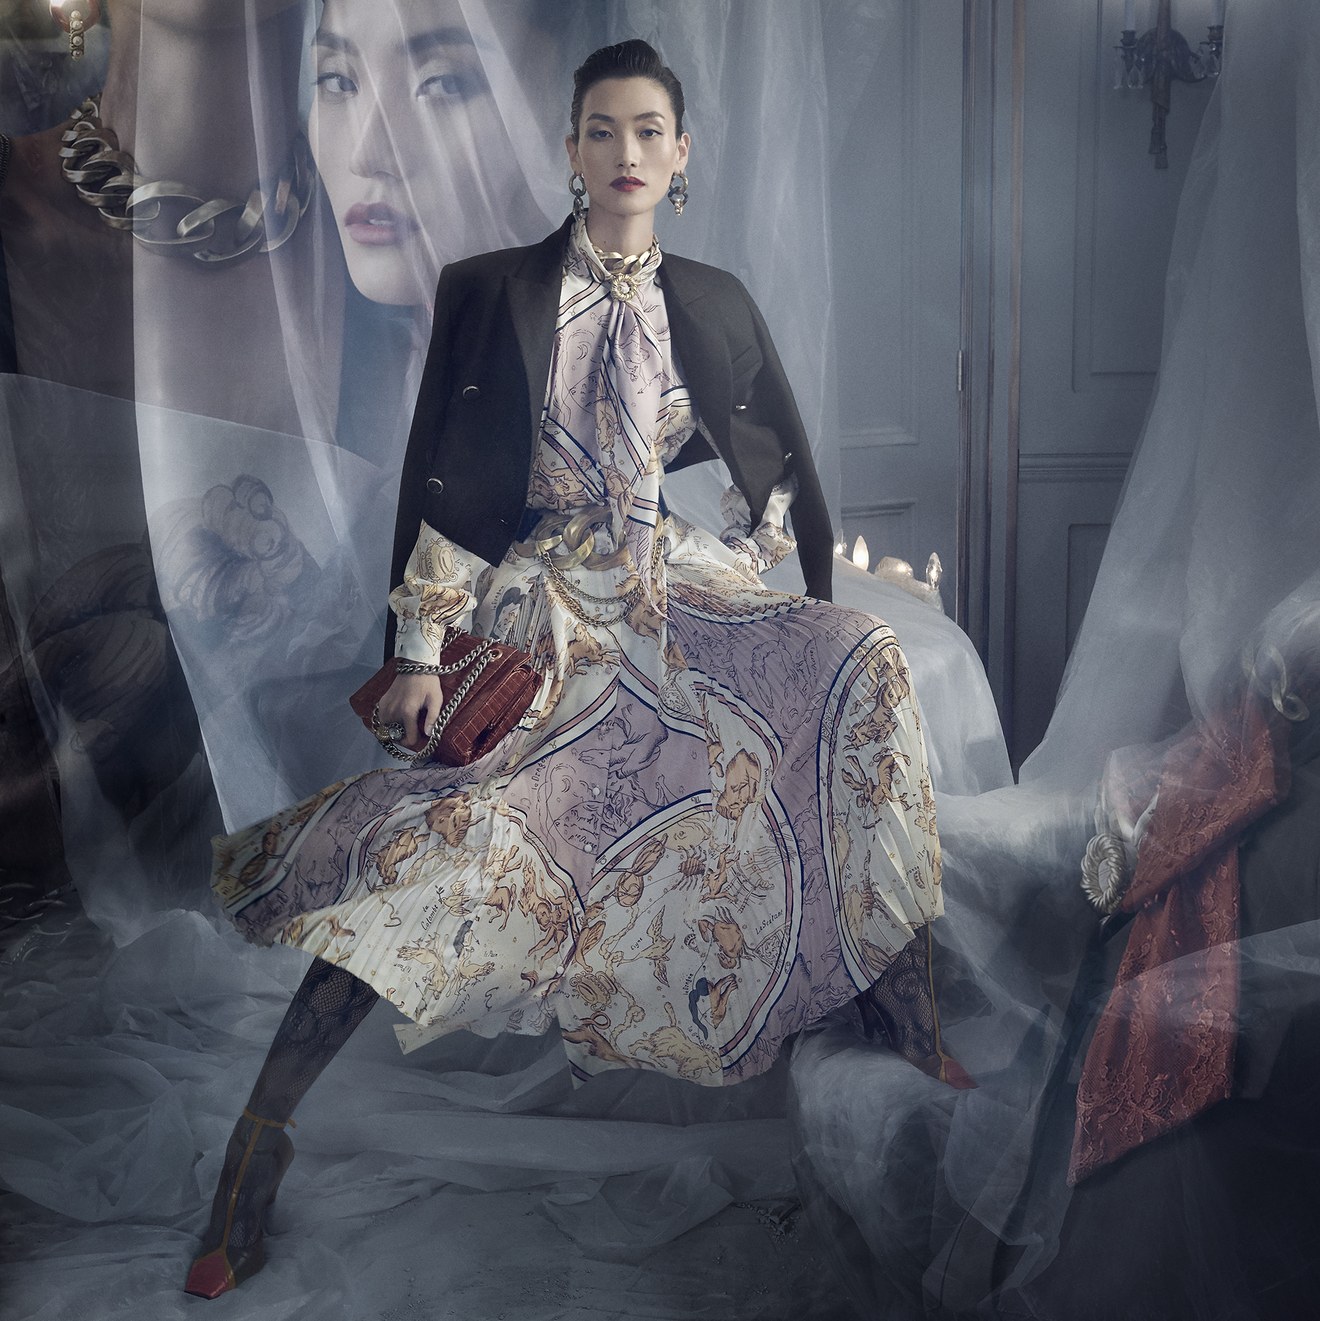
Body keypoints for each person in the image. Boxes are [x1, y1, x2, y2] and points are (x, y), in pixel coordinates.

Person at [185, 39, 959, 1300]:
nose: (627, 154)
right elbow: (446, 474)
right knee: (439, 846)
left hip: (674, 585)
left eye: (649, 131)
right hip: (543, 600)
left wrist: (759, 558)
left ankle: (911, 1021)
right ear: (570, 152)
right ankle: (257, 1141)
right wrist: (421, 649)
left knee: (858, 662)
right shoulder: (491, 289)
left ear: (682, 152)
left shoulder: (712, 299)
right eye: (603, 131)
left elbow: (773, 458)